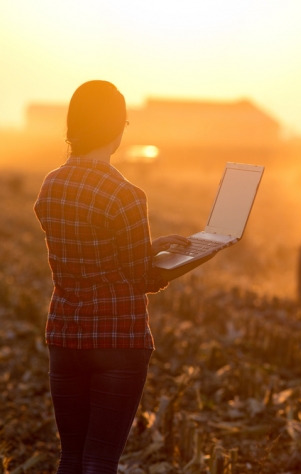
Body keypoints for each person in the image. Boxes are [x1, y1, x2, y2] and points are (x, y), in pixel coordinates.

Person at [34, 80, 191, 473]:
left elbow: (91, 247)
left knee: (71, 457)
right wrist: (186, 260)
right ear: (118, 128)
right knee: (101, 460)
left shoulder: (50, 185)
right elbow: (139, 277)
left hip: (65, 336)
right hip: (117, 341)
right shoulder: (126, 195)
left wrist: (151, 245)